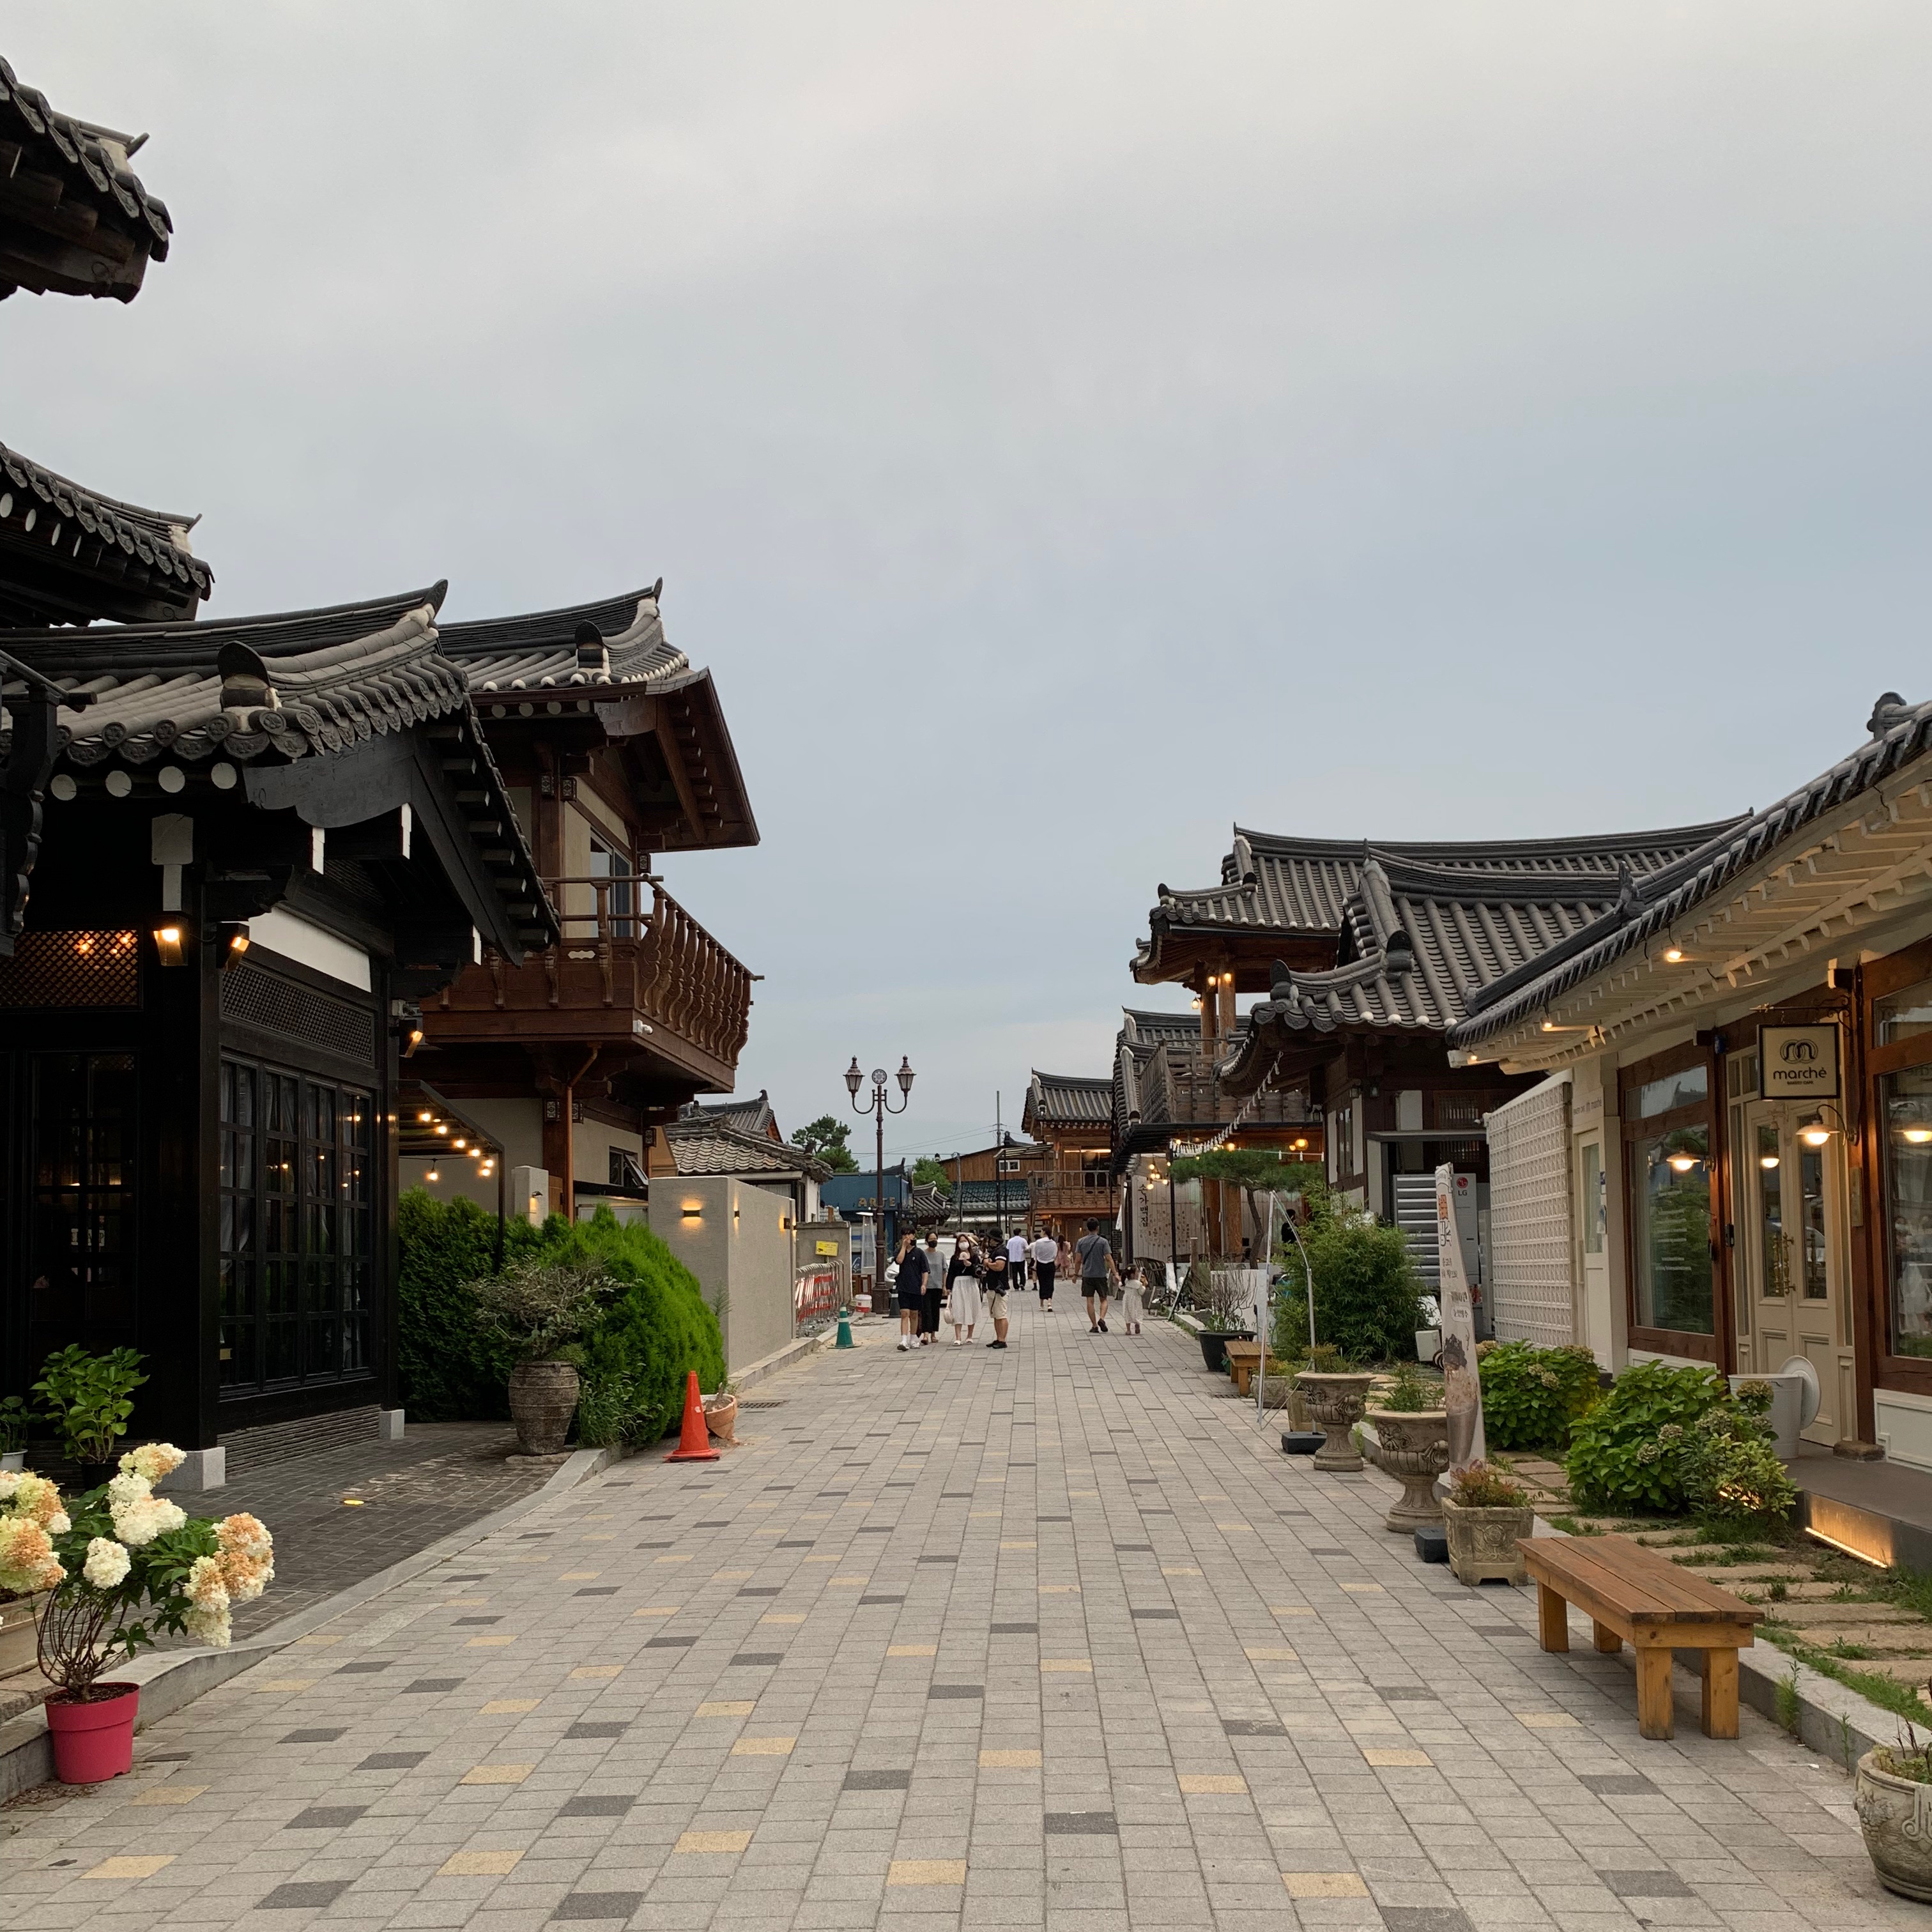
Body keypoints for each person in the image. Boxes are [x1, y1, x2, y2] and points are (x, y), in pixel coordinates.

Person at [1075, 1217, 1114, 1333]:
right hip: (1101, 1274)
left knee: (1090, 1301)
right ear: (1098, 1228)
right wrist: (1115, 1273)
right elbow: (1109, 1258)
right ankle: (1102, 1318)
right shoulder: (1103, 1242)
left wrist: (1075, 1275)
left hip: (1087, 1275)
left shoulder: (1081, 1242)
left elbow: (1078, 1260)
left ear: (1087, 1228)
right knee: (1104, 1299)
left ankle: (1094, 1326)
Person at [946, 1235, 983, 1345]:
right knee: (958, 1308)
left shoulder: (974, 1256)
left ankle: (970, 1335)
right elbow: (951, 1273)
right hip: (958, 1283)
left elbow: (977, 1273)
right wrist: (948, 1287)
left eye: (965, 1241)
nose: (963, 1243)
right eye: (961, 1241)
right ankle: (958, 1337)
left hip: (970, 1283)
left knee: (971, 1308)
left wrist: (970, 1265)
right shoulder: (954, 1258)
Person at [894, 1235, 926, 1351]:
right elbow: (899, 1261)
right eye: (905, 1234)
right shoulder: (899, 1251)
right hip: (903, 1286)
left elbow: (925, 1270)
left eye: (910, 1234)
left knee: (914, 1314)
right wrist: (903, 1246)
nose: (908, 1237)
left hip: (916, 1287)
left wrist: (924, 1284)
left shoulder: (919, 1253)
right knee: (904, 1313)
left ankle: (913, 1338)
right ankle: (904, 1339)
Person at [921, 1233, 946, 1344]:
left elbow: (945, 1271)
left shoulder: (941, 1254)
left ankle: (934, 1334)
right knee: (926, 1310)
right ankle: (925, 1334)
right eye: (931, 1239)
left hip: (937, 1286)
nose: (933, 1241)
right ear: (927, 1241)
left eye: (935, 1239)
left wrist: (944, 1286)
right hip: (926, 1286)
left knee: (935, 1310)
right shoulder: (923, 1254)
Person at [1031, 1229, 1057, 1307]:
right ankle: (1050, 1302)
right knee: (1050, 1282)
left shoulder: (1038, 1242)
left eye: (1041, 1231)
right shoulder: (1053, 1243)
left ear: (1044, 1232)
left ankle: (1042, 1304)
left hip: (1041, 1264)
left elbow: (1036, 1253)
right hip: (1050, 1264)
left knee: (1042, 1283)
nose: (1041, 1233)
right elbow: (1055, 1255)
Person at [1121, 1257, 1144, 1336]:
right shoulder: (1138, 1283)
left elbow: (1121, 1287)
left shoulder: (1126, 1282)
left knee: (1127, 1312)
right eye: (1137, 1271)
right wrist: (1145, 1285)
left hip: (1127, 1299)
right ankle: (1137, 1324)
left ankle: (1128, 1330)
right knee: (1136, 1311)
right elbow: (1141, 1292)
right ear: (1133, 1274)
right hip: (1136, 1300)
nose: (1138, 1273)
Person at [1006, 1229, 1029, 1294]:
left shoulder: (1010, 1241)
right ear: (1020, 1233)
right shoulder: (1023, 1240)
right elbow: (1027, 1248)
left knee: (1014, 1273)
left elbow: (1007, 1248)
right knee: (1022, 1272)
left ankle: (1016, 1286)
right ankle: (1022, 1283)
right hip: (1021, 1258)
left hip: (1013, 1259)